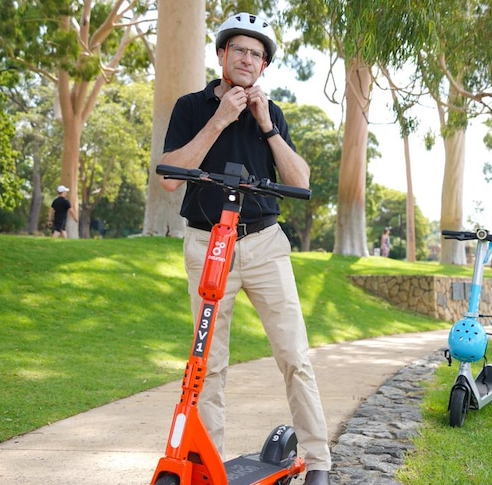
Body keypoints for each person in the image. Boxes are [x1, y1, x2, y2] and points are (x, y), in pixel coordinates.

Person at [158, 12, 330, 485]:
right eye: (239, 50)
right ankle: (206, 469)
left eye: (257, 54)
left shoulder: (271, 114)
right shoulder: (192, 107)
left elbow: (300, 181)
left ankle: (318, 464)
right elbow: (171, 179)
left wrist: (265, 124)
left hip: (264, 246)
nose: (247, 59)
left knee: (294, 356)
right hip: (206, 244)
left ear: (264, 66)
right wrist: (220, 120)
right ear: (221, 55)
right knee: (207, 367)